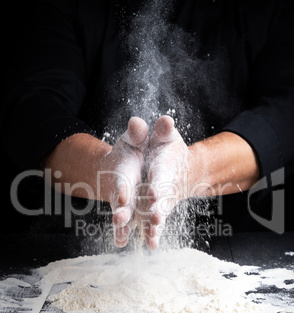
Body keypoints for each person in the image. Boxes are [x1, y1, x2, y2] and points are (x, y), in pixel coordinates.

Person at [2, 0, 294, 249]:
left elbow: (285, 113)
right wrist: (104, 168)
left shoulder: (266, 7)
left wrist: (192, 168)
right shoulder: (70, 6)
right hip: (70, 247)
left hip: (244, 245)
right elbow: (33, 106)